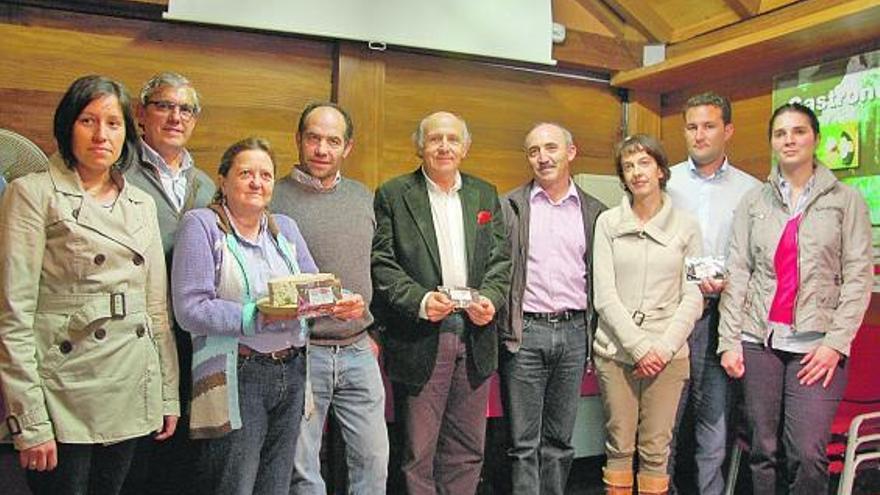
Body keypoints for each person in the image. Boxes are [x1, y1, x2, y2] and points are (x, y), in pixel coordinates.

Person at [0, 75, 179, 495]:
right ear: (67, 126)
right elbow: (13, 315)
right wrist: (30, 421)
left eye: (114, 123)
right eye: (88, 121)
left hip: (130, 383)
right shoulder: (32, 193)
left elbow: (156, 311)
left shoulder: (141, 203)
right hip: (63, 391)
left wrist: (167, 395)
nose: (102, 135)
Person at [172, 136, 366, 495]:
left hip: (292, 371)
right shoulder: (201, 225)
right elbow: (190, 308)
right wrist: (256, 316)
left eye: (265, 175)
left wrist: (342, 303)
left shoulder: (284, 228)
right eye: (246, 173)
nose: (256, 182)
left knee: (276, 485)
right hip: (238, 374)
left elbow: (315, 286)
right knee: (234, 484)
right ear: (223, 179)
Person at [718, 103, 873, 495]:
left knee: (806, 451)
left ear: (816, 138)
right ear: (772, 142)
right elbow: (739, 272)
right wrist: (728, 341)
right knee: (762, 449)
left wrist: (835, 344)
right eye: (780, 133)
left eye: (799, 131)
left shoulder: (846, 200)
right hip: (759, 342)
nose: (789, 140)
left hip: (817, 348)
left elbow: (857, 278)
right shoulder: (755, 202)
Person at [371, 111, 511, 495]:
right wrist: (419, 300)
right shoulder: (394, 194)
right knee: (419, 450)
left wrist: (492, 299)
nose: (444, 146)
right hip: (422, 335)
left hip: (476, 333)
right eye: (435, 139)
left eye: (452, 139)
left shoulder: (485, 194)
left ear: (465, 148)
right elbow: (382, 265)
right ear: (420, 146)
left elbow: (500, 261)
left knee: (467, 448)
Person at [271, 102, 388, 494]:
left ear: (347, 147)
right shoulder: (273, 198)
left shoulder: (363, 197)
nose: (322, 149)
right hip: (301, 351)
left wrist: (375, 334)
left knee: (374, 463)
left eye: (332, 141)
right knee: (302, 469)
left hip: (358, 350)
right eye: (314, 138)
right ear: (299, 140)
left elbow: (381, 268)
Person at [592, 134, 703, 495]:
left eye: (644, 163)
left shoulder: (687, 225)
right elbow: (604, 296)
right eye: (628, 166)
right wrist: (640, 348)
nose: (637, 172)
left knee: (657, 450)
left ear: (660, 170)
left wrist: (662, 349)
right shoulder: (607, 223)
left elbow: (694, 293)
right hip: (616, 351)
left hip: (668, 355)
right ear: (622, 178)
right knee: (619, 446)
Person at [498, 122, 605, 494]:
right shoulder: (509, 206)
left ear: (570, 152)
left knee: (560, 441)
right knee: (523, 443)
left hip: (575, 333)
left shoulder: (595, 212)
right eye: (533, 151)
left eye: (551, 148)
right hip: (525, 332)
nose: (543, 157)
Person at [123, 71, 216, 495]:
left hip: (193, 335)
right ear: (142, 114)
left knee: (185, 452)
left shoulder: (208, 184)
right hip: (135, 334)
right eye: (164, 106)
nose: (176, 116)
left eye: (186, 109)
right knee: (135, 452)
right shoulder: (118, 171)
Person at [666, 92, 760, 495]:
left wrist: (732, 285)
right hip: (669, 317)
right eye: (692, 126)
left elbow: (760, 260)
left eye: (708, 126)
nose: (699, 135)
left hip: (723, 319)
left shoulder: (752, 190)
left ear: (728, 130)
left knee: (714, 427)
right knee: (662, 427)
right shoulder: (663, 181)